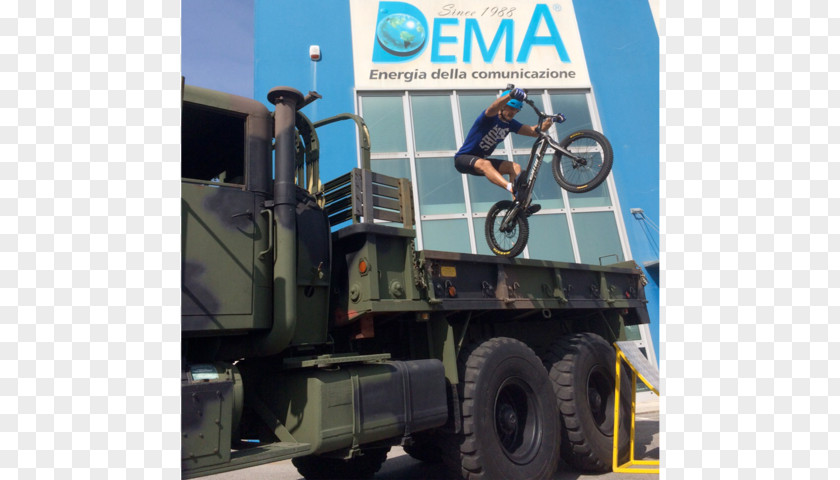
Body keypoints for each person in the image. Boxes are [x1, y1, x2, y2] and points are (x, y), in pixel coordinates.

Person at [454, 87, 564, 215]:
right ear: (503, 107)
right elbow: (492, 108)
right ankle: (511, 187)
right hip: (463, 159)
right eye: (510, 109)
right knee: (486, 164)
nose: (513, 113)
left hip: (480, 161)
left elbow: (534, 132)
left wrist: (551, 121)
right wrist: (511, 95)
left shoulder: (510, 124)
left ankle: (519, 206)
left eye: (516, 111)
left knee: (515, 167)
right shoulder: (489, 117)